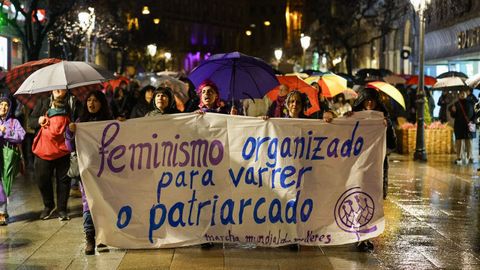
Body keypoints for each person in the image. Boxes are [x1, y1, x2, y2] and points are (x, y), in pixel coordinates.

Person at [65, 90, 113, 255]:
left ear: (102, 103)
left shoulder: (109, 122)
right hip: (86, 172)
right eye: (89, 100)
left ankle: (103, 236)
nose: (92, 104)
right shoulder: (80, 122)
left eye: (96, 101)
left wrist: (123, 124)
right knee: (88, 203)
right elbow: (70, 147)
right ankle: (90, 238)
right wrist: (70, 132)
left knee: (103, 202)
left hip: (106, 171)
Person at [351, 88, 397, 252]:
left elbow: (392, 144)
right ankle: (358, 236)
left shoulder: (382, 119)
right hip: (357, 167)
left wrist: (387, 125)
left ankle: (366, 237)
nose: (369, 103)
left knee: (372, 200)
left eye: (372, 100)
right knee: (358, 199)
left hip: (376, 167)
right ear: (362, 101)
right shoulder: (353, 118)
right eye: (366, 100)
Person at [30, 91, 73, 221]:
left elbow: (81, 118)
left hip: (64, 150)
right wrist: (39, 120)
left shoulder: (73, 102)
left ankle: (62, 209)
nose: (58, 90)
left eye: (61, 87)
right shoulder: (43, 102)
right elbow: (30, 122)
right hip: (45, 149)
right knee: (42, 179)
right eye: (55, 87)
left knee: (64, 180)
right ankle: (48, 205)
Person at [0, 97, 25, 225]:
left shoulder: (14, 122)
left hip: (9, 156)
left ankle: (2, 211)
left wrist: (6, 133)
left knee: (5, 182)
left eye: (6, 105)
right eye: (1, 104)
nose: (3, 107)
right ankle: (2, 212)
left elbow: (21, 135)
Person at [449, 90, 475, 165]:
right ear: (459, 95)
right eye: (461, 93)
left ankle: (470, 157)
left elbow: (474, 114)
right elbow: (453, 116)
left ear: (466, 94)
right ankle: (459, 157)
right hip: (459, 125)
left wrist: (473, 122)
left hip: (469, 124)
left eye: (463, 93)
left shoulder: (471, 102)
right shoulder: (456, 104)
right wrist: (453, 111)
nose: (462, 94)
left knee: (469, 141)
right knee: (459, 141)